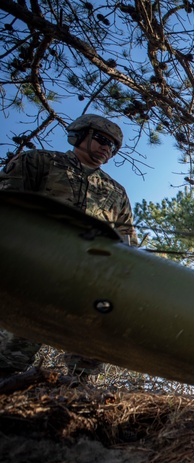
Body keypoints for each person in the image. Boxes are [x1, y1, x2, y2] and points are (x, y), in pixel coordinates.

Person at [0, 113, 136, 382]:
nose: (106, 149)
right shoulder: (39, 162)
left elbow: (126, 241)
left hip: (90, 272)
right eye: (101, 140)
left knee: (89, 338)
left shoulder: (116, 191)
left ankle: (75, 391)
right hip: (35, 263)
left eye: (112, 146)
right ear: (79, 135)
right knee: (18, 341)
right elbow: (7, 208)